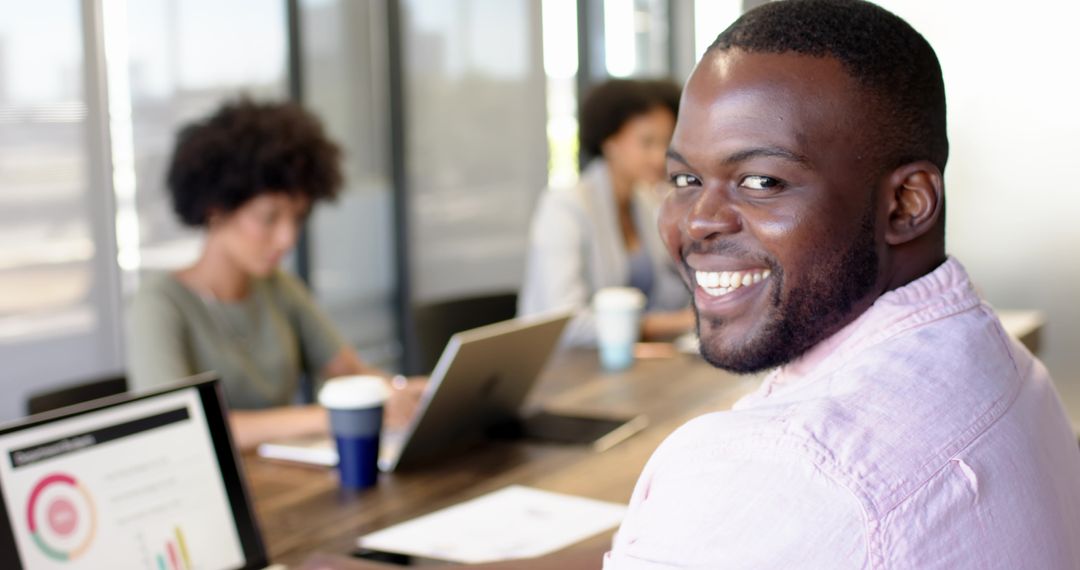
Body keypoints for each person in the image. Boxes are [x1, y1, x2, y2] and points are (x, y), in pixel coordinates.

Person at [312, 1, 1080, 568]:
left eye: (760, 179)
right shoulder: (1016, 374)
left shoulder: (779, 468)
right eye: (684, 175)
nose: (697, 220)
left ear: (905, 203)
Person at [128, 99, 418, 451]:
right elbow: (176, 427)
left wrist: (412, 393)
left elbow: (349, 372)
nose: (287, 238)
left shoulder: (278, 288)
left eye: (297, 218)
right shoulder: (159, 305)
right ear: (215, 209)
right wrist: (335, 416)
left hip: (287, 480)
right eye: (269, 218)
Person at [518, 79, 694, 346]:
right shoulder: (564, 206)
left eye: (666, 142)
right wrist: (677, 323)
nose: (660, 157)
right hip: (566, 367)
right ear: (609, 141)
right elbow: (563, 322)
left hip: (632, 362)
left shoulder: (647, 202)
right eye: (646, 143)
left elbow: (675, 291)